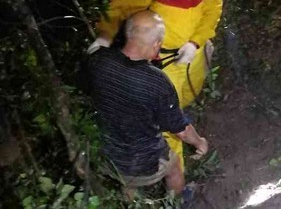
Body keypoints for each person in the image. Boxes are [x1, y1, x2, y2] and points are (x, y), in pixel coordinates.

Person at [87, 0, 222, 167]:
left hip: (193, 54)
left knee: (191, 92)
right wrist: (105, 36)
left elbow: (213, 10)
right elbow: (120, 8)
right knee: (171, 119)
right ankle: (176, 174)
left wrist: (195, 42)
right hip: (166, 62)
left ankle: (186, 115)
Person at [85, 10, 208, 198]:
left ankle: (130, 196)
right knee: (174, 167)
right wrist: (200, 142)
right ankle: (179, 200)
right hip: (141, 163)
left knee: (128, 181)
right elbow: (181, 131)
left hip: (105, 155)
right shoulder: (157, 82)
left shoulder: (97, 60)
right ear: (157, 44)